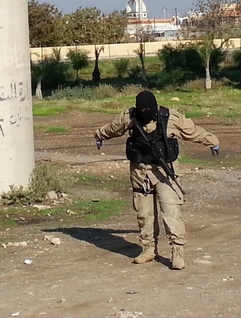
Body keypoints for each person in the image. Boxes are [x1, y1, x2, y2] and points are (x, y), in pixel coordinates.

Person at [94, 90, 220, 270]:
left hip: (164, 172)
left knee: (171, 211)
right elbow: (113, 128)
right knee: (144, 213)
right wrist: (99, 135)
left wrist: (212, 141)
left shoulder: (170, 118)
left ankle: (177, 251)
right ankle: (148, 249)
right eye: (142, 109)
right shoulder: (130, 117)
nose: (145, 113)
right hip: (140, 172)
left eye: (148, 109)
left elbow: (193, 131)